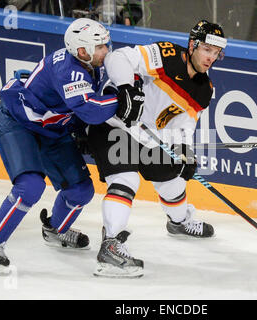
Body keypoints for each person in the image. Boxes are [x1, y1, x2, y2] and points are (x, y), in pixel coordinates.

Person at [0, 18, 145, 274]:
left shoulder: (92, 64)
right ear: (81, 50)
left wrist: (127, 91)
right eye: (99, 47)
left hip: (53, 129)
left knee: (80, 191)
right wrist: (122, 100)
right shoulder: (68, 70)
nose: (106, 51)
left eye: (105, 44)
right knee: (30, 186)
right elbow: (89, 108)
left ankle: (54, 230)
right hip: (20, 124)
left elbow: (82, 108)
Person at [85, 20, 227, 278]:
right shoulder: (166, 55)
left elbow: (185, 121)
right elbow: (117, 58)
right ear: (193, 45)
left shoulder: (205, 90)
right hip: (114, 125)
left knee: (174, 178)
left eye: (216, 53)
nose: (211, 58)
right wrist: (127, 88)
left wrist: (183, 147)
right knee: (126, 180)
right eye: (207, 49)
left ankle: (179, 222)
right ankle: (111, 245)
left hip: (149, 137)